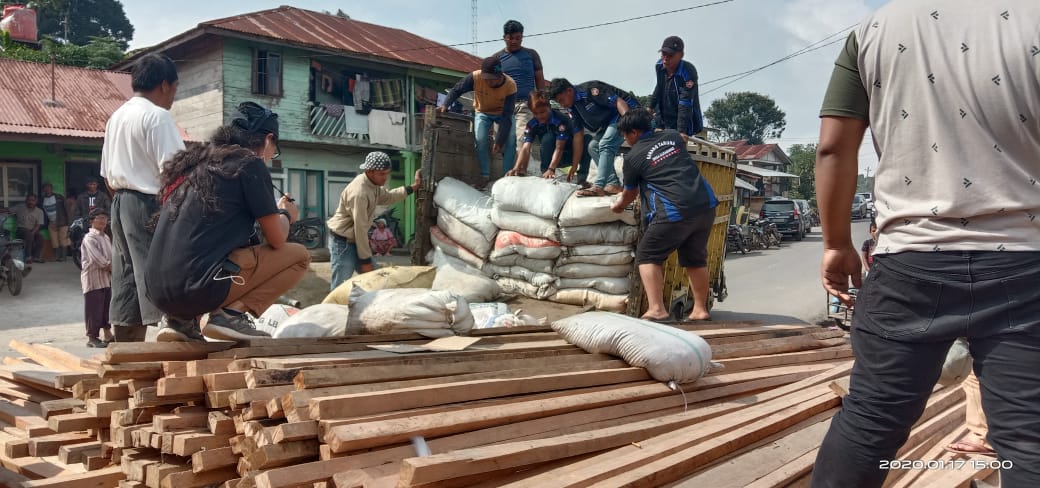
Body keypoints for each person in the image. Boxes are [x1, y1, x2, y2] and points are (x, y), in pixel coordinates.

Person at [811, 1, 1040, 486]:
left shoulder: (874, 30)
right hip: (1027, 263)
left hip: (910, 262)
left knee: (870, 421)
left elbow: (833, 147)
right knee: (1030, 438)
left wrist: (837, 243)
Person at [145, 102, 310, 342]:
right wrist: (286, 214)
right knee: (299, 256)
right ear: (269, 139)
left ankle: (180, 321)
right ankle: (231, 315)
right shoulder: (249, 164)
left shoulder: (193, 165)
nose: (270, 155)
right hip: (196, 289)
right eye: (274, 149)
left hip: (156, 291)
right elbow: (276, 239)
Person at [101, 53, 185, 343]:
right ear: (164, 85)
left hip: (119, 202)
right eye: (175, 89)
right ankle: (176, 333)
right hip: (149, 203)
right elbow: (176, 173)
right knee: (160, 271)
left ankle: (126, 345)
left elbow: (106, 176)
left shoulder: (116, 117)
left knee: (126, 276)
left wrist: (124, 204)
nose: (173, 97)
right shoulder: (157, 116)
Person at [610, 108, 717, 322]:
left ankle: (657, 309)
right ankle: (700, 310)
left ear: (634, 132)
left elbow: (630, 193)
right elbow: (683, 137)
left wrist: (618, 206)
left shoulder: (633, 157)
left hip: (675, 211)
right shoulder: (672, 136)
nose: (625, 140)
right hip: (706, 205)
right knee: (695, 259)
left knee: (647, 255)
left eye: (625, 135)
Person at [326, 151, 421, 290]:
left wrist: (413, 187)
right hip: (343, 242)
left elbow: (388, 197)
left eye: (387, 173)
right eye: (382, 174)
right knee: (341, 284)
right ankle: (332, 305)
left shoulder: (372, 185)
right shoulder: (359, 193)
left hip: (356, 240)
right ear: (369, 171)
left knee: (376, 280)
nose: (385, 178)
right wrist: (365, 261)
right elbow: (360, 229)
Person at [549, 78, 639, 196]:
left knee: (605, 144)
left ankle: (598, 186)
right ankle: (613, 184)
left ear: (569, 91)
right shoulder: (572, 108)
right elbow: (578, 136)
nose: (562, 104)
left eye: (562, 100)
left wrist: (630, 125)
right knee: (593, 146)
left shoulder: (590, 91)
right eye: (559, 103)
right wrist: (575, 165)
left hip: (626, 112)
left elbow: (619, 102)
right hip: (609, 122)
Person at [439, 56, 517, 186]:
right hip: (483, 111)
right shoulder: (475, 77)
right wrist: (445, 104)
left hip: (502, 113)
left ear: (499, 76)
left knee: (511, 139)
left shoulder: (510, 85)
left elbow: (507, 116)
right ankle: (484, 175)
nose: (488, 82)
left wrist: (499, 141)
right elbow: (457, 89)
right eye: (486, 79)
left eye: (492, 79)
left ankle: (506, 177)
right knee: (480, 139)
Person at [506, 90, 591, 186]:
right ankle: (545, 173)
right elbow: (525, 148)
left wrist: (552, 169)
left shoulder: (560, 120)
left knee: (587, 139)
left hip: (571, 154)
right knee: (548, 137)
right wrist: (516, 167)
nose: (539, 116)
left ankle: (582, 179)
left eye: (542, 112)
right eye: (535, 113)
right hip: (552, 157)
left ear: (549, 107)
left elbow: (559, 147)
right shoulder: (532, 124)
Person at [496, 20, 547, 154]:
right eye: (511, 38)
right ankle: (508, 167)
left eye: (518, 38)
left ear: (522, 37)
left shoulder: (532, 55)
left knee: (522, 141)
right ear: (504, 37)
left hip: (525, 105)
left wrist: (543, 102)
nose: (514, 41)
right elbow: (492, 83)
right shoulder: (497, 58)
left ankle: (522, 167)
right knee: (501, 142)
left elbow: (540, 81)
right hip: (503, 107)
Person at [650, 36, 704, 142]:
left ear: (681, 55)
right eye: (663, 54)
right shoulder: (659, 65)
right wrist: (650, 107)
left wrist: (681, 131)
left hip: (682, 117)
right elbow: (659, 87)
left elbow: (685, 103)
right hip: (663, 116)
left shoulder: (688, 71)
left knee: (676, 142)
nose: (666, 58)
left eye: (670, 55)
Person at [81, 208, 114, 348]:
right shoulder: (90, 238)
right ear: (92, 221)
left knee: (106, 309)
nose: (103, 221)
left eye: (105, 218)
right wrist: (113, 268)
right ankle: (92, 338)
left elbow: (111, 256)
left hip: (106, 279)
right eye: (99, 218)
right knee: (93, 310)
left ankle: (108, 335)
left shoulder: (105, 237)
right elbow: (98, 259)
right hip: (93, 280)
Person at [40, 183, 70, 262]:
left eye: (48, 188)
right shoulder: (42, 199)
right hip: (51, 222)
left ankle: (63, 257)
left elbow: (67, 209)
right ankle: (57, 257)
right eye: (45, 188)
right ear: (43, 190)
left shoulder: (59, 197)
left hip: (62, 221)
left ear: (52, 188)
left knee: (63, 240)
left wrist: (69, 221)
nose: (47, 190)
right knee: (54, 241)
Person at [12, 194, 44, 266]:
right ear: (26, 200)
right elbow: (8, 210)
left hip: (32, 230)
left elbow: (38, 225)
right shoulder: (20, 207)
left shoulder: (39, 211)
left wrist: (33, 233)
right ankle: (28, 257)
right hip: (20, 230)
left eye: (33, 200)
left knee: (40, 237)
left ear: (36, 201)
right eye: (29, 200)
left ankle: (36, 257)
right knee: (28, 234)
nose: (31, 202)